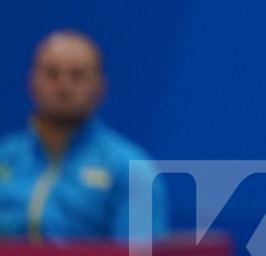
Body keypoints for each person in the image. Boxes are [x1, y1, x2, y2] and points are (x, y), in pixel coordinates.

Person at [0, 30, 162, 242]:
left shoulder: (131, 169)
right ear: (31, 82)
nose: (63, 87)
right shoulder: (5, 156)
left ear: (100, 87)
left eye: (77, 75)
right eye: (51, 74)